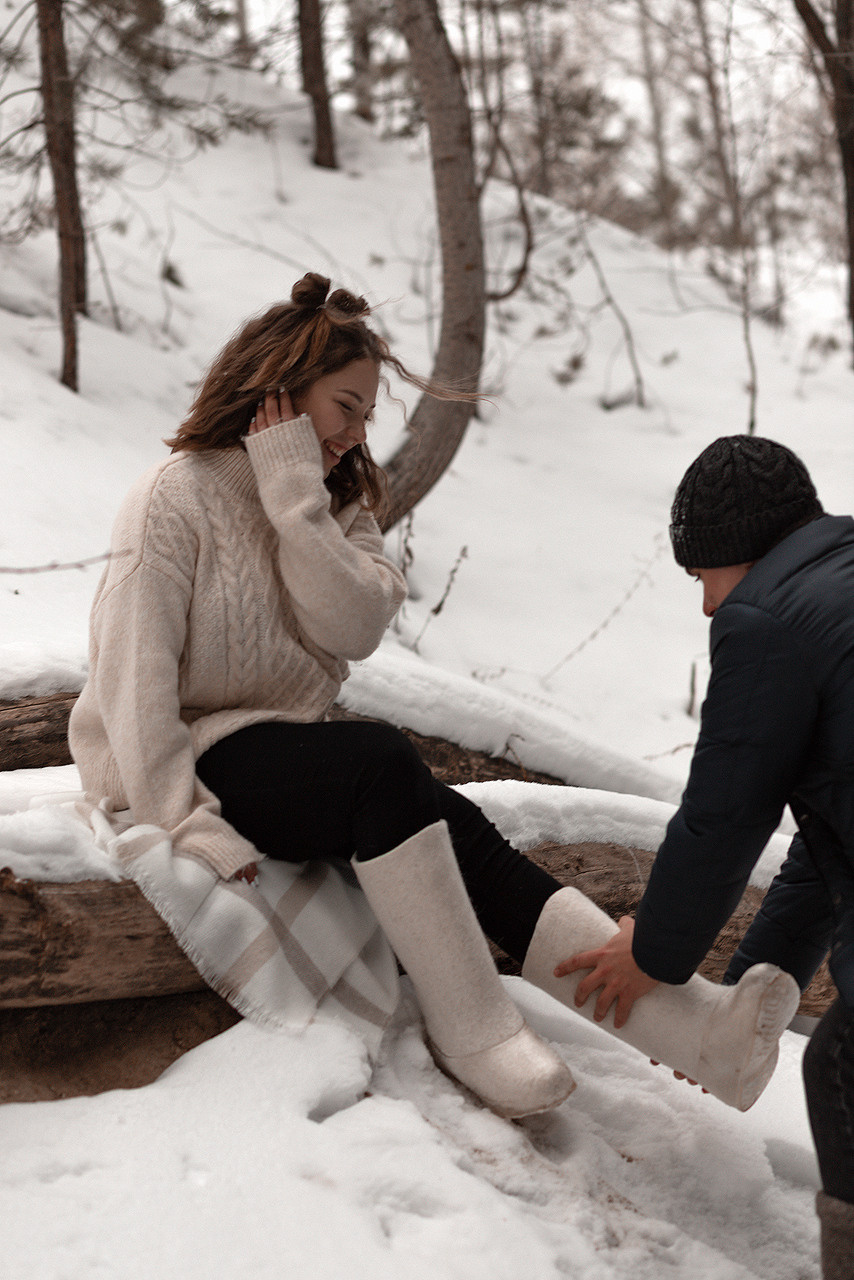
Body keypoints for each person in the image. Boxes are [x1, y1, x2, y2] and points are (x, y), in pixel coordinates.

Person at [69, 277, 794, 1124]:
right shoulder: (173, 495)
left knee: (463, 834)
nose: (355, 432)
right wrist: (179, 815)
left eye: (367, 413)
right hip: (188, 760)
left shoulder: (333, 508)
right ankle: (476, 1032)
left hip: (293, 757)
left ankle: (695, 1032)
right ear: (281, 389)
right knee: (378, 761)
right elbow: (132, 673)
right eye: (347, 404)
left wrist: (294, 504)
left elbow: (351, 626)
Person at [557, 435, 854, 1279]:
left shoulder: (770, 620)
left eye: (702, 580)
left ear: (739, 557)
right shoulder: (837, 587)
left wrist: (653, 954)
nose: (706, 608)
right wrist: (728, 1010)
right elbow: (829, 845)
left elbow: (726, 814)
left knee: (843, 1075)